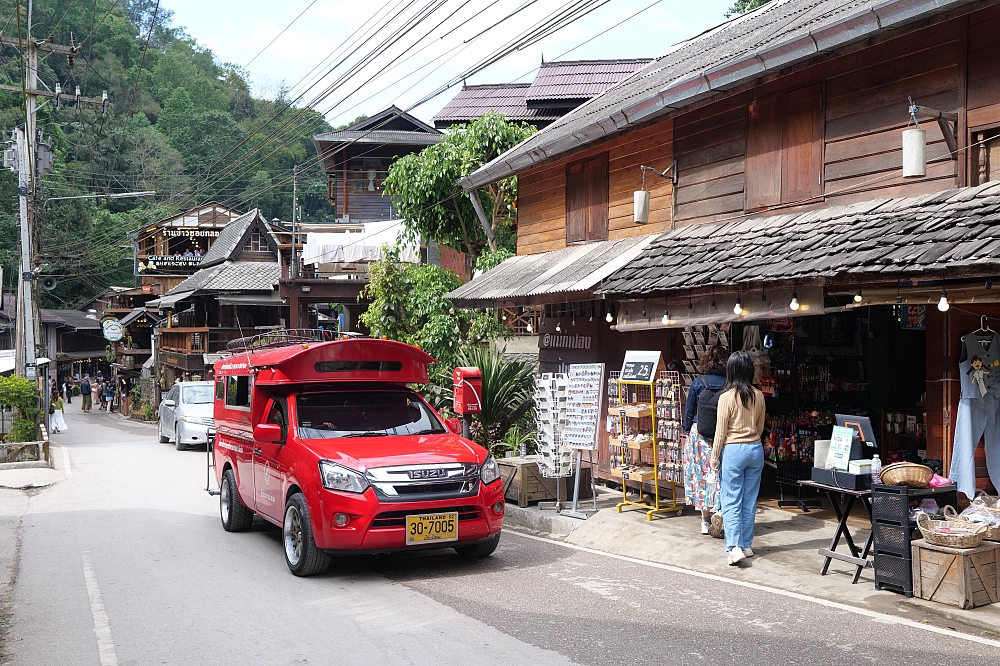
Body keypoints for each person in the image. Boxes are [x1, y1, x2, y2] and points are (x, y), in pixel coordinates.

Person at [711, 351, 766, 566]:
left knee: (731, 499)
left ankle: (734, 547)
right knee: (749, 500)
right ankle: (746, 544)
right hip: (755, 449)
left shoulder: (726, 397)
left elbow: (720, 432)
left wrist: (714, 457)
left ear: (731, 370)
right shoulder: (759, 395)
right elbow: (760, 427)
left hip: (733, 450)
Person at [682, 346, 729, 536]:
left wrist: (686, 430)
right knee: (721, 475)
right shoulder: (729, 384)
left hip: (699, 436)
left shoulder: (698, 382)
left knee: (702, 477)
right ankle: (720, 511)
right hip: (723, 435)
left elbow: (689, 411)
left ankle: (704, 520)